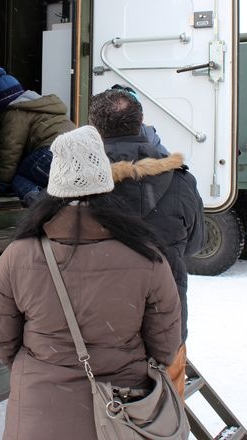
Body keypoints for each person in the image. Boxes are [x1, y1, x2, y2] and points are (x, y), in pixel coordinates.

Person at [0, 126, 182, 440]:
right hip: (120, 414)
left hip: (39, 415)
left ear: (54, 185)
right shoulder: (146, 257)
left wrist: (41, 368)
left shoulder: (18, 255)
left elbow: (1, 340)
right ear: (106, 182)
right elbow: (166, 346)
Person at [88, 87, 205, 397]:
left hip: (94, 332)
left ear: (94, 127)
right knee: (165, 418)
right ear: (140, 122)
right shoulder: (181, 181)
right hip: (165, 331)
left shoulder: (77, 181)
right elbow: (194, 246)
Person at [0, 67, 74, 205]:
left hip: (53, 152)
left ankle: (43, 207)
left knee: (19, 178)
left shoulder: (15, 112)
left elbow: (9, 153)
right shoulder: (42, 106)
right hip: (77, 154)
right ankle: (63, 205)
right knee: (50, 181)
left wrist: (0, 185)